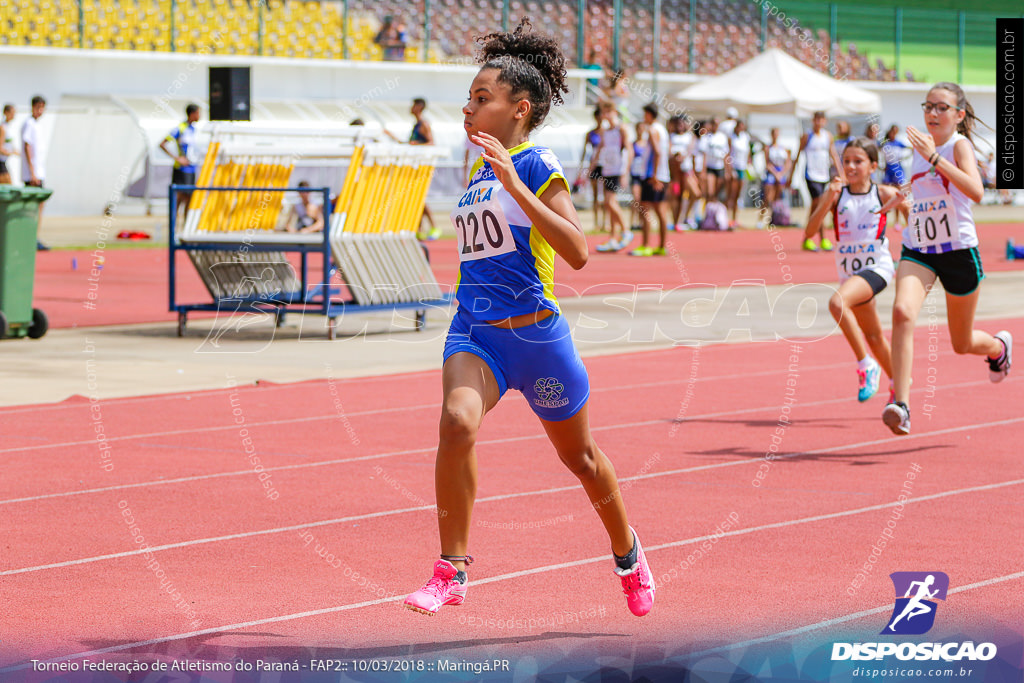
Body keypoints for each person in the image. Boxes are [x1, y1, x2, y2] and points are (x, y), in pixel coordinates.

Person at [403, 17, 655, 619]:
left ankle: (628, 554)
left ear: (519, 109)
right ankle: (450, 571)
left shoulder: (536, 163)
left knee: (582, 460)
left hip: (537, 339)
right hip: (476, 334)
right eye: (467, 99)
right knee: (456, 424)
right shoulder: (472, 172)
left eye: (481, 99)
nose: (467, 110)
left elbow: (578, 250)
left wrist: (517, 183)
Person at [880, 82, 1012, 436]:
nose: (933, 113)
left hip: (958, 252)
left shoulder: (959, 145)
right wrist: (902, 197)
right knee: (902, 312)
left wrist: (937, 158)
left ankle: (999, 347)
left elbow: (977, 191)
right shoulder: (918, 147)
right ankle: (902, 405)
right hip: (919, 248)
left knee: (962, 343)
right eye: (928, 106)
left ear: (959, 115)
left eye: (941, 107)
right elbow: (924, 191)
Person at [803, 138, 900, 402]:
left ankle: (865, 364)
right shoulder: (837, 195)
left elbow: (911, 212)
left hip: (877, 268)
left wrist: (907, 208)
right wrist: (828, 200)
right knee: (873, 335)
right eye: (846, 161)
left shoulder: (883, 193)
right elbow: (810, 233)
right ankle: (899, 384)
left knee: (836, 303)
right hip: (850, 274)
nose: (851, 166)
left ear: (873, 166)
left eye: (858, 161)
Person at [791, 110, 843, 251]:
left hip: (824, 176)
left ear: (824, 121)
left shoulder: (827, 136)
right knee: (820, 205)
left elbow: (834, 155)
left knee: (817, 208)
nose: (819, 122)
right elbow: (797, 156)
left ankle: (807, 238)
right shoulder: (807, 136)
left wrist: (841, 173)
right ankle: (822, 239)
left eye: (821, 119)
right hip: (811, 175)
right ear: (813, 121)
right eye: (816, 119)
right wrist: (791, 176)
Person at [630, 102, 670, 256]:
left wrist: (653, 176)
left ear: (649, 114)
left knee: (646, 210)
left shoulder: (653, 130)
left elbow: (658, 153)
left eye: (645, 114)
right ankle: (660, 246)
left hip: (653, 176)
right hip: (662, 175)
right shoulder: (662, 130)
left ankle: (646, 245)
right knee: (660, 211)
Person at [592, 101, 632, 252]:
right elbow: (599, 150)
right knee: (609, 203)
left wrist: (625, 172)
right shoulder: (605, 131)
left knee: (610, 202)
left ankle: (626, 230)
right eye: (604, 112)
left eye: (608, 112)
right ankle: (613, 237)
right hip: (607, 170)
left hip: (617, 169)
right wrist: (591, 167)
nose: (605, 115)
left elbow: (629, 150)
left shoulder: (621, 128)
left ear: (615, 112)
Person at [160, 102, 201, 226]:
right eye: (199, 113)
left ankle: (186, 228)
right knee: (178, 198)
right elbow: (162, 144)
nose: (200, 116)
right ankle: (173, 228)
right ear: (192, 114)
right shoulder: (180, 128)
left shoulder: (194, 130)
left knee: (189, 198)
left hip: (192, 169)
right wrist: (177, 158)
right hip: (181, 170)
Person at [21, 95, 49, 250]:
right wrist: (32, 172)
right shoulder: (29, 124)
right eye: (38, 107)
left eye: (42, 107)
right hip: (32, 175)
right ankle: (31, 237)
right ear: (32, 107)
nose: (40, 111)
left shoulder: (37, 125)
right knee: (33, 206)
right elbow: (27, 147)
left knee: (39, 205)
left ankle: (34, 237)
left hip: (38, 172)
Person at [574, 108, 604, 234]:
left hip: (605, 164)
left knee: (607, 196)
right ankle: (597, 222)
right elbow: (585, 151)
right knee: (596, 195)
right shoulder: (591, 133)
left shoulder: (606, 132)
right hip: (594, 165)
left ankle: (605, 223)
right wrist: (581, 168)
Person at [757, 127, 791, 229]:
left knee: (777, 198)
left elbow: (788, 163)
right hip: (771, 173)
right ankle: (760, 219)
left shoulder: (783, 148)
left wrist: (781, 173)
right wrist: (775, 173)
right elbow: (767, 163)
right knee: (767, 198)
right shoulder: (768, 148)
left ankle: (775, 218)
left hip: (780, 173)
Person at [881, 124, 911, 225]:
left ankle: (897, 220)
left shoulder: (899, 143)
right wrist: (881, 166)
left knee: (899, 194)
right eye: (892, 132)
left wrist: (904, 158)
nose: (894, 134)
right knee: (885, 194)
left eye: (896, 132)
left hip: (897, 169)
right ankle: (883, 217)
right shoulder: (885, 144)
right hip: (888, 170)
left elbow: (910, 149)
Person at [726, 119, 752, 229]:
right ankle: (726, 218)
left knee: (738, 195)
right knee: (731, 194)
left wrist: (748, 162)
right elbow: (727, 154)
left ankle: (735, 218)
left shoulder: (745, 137)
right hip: (734, 167)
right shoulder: (731, 138)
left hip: (742, 167)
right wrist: (730, 170)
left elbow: (748, 151)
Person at [0, 103, 17, 184]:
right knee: (8, 186)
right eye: (12, 112)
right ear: (6, 113)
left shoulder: (7, 127)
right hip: (0, 162)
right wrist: (12, 152)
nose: (14, 115)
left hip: (3, 162)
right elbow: (0, 148)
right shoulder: (3, 128)